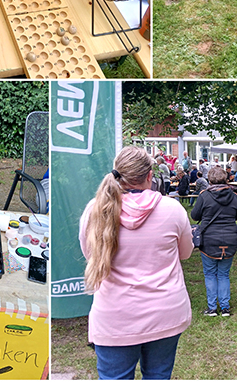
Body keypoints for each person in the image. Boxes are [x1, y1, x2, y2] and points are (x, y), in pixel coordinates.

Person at [79, 146, 192, 379]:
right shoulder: (173, 209)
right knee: (159, 375)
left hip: (115, 317)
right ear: (150, 176)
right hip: (165, 313)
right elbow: (185, 253)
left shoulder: (95, 210)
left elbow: (91, 254)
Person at [191, 166, 237, 317]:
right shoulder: (234, 196)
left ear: (210, 180)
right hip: (229, 239)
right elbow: (236, 215)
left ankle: (212, 308)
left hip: (209, 240)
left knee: (210, 274)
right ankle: (225, 308)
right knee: (224, 274)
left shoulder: (204, 196)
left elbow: (194, 215)